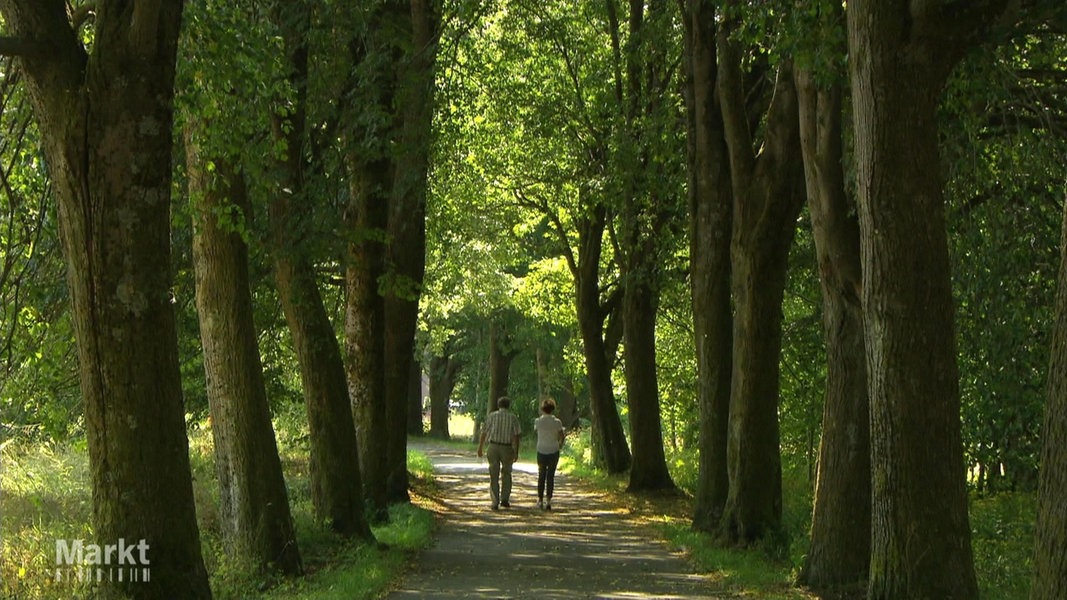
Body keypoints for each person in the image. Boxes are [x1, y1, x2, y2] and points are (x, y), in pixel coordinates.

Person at [477, 396, 521, 510]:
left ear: (498, 405)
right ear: (508, 405)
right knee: (507, 473)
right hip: (507, 447)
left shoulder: (492, 416)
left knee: (493, 473)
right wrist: (516, 451)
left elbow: (484, 432)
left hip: (493, 446)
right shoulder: (513, 418)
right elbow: (516, 436)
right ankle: (505, 499)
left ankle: (495, 501)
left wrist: (480, 447)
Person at [533, 398, 565, 510]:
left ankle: (540, 500)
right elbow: (562, 436)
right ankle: (549, 500)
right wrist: (559, 445)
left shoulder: (538, 421)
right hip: (553, 450)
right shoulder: (557, 422)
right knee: (550, 476)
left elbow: (536, 431)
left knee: (541, 475)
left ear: (542, 409)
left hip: (541, 449)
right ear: (552, 409)